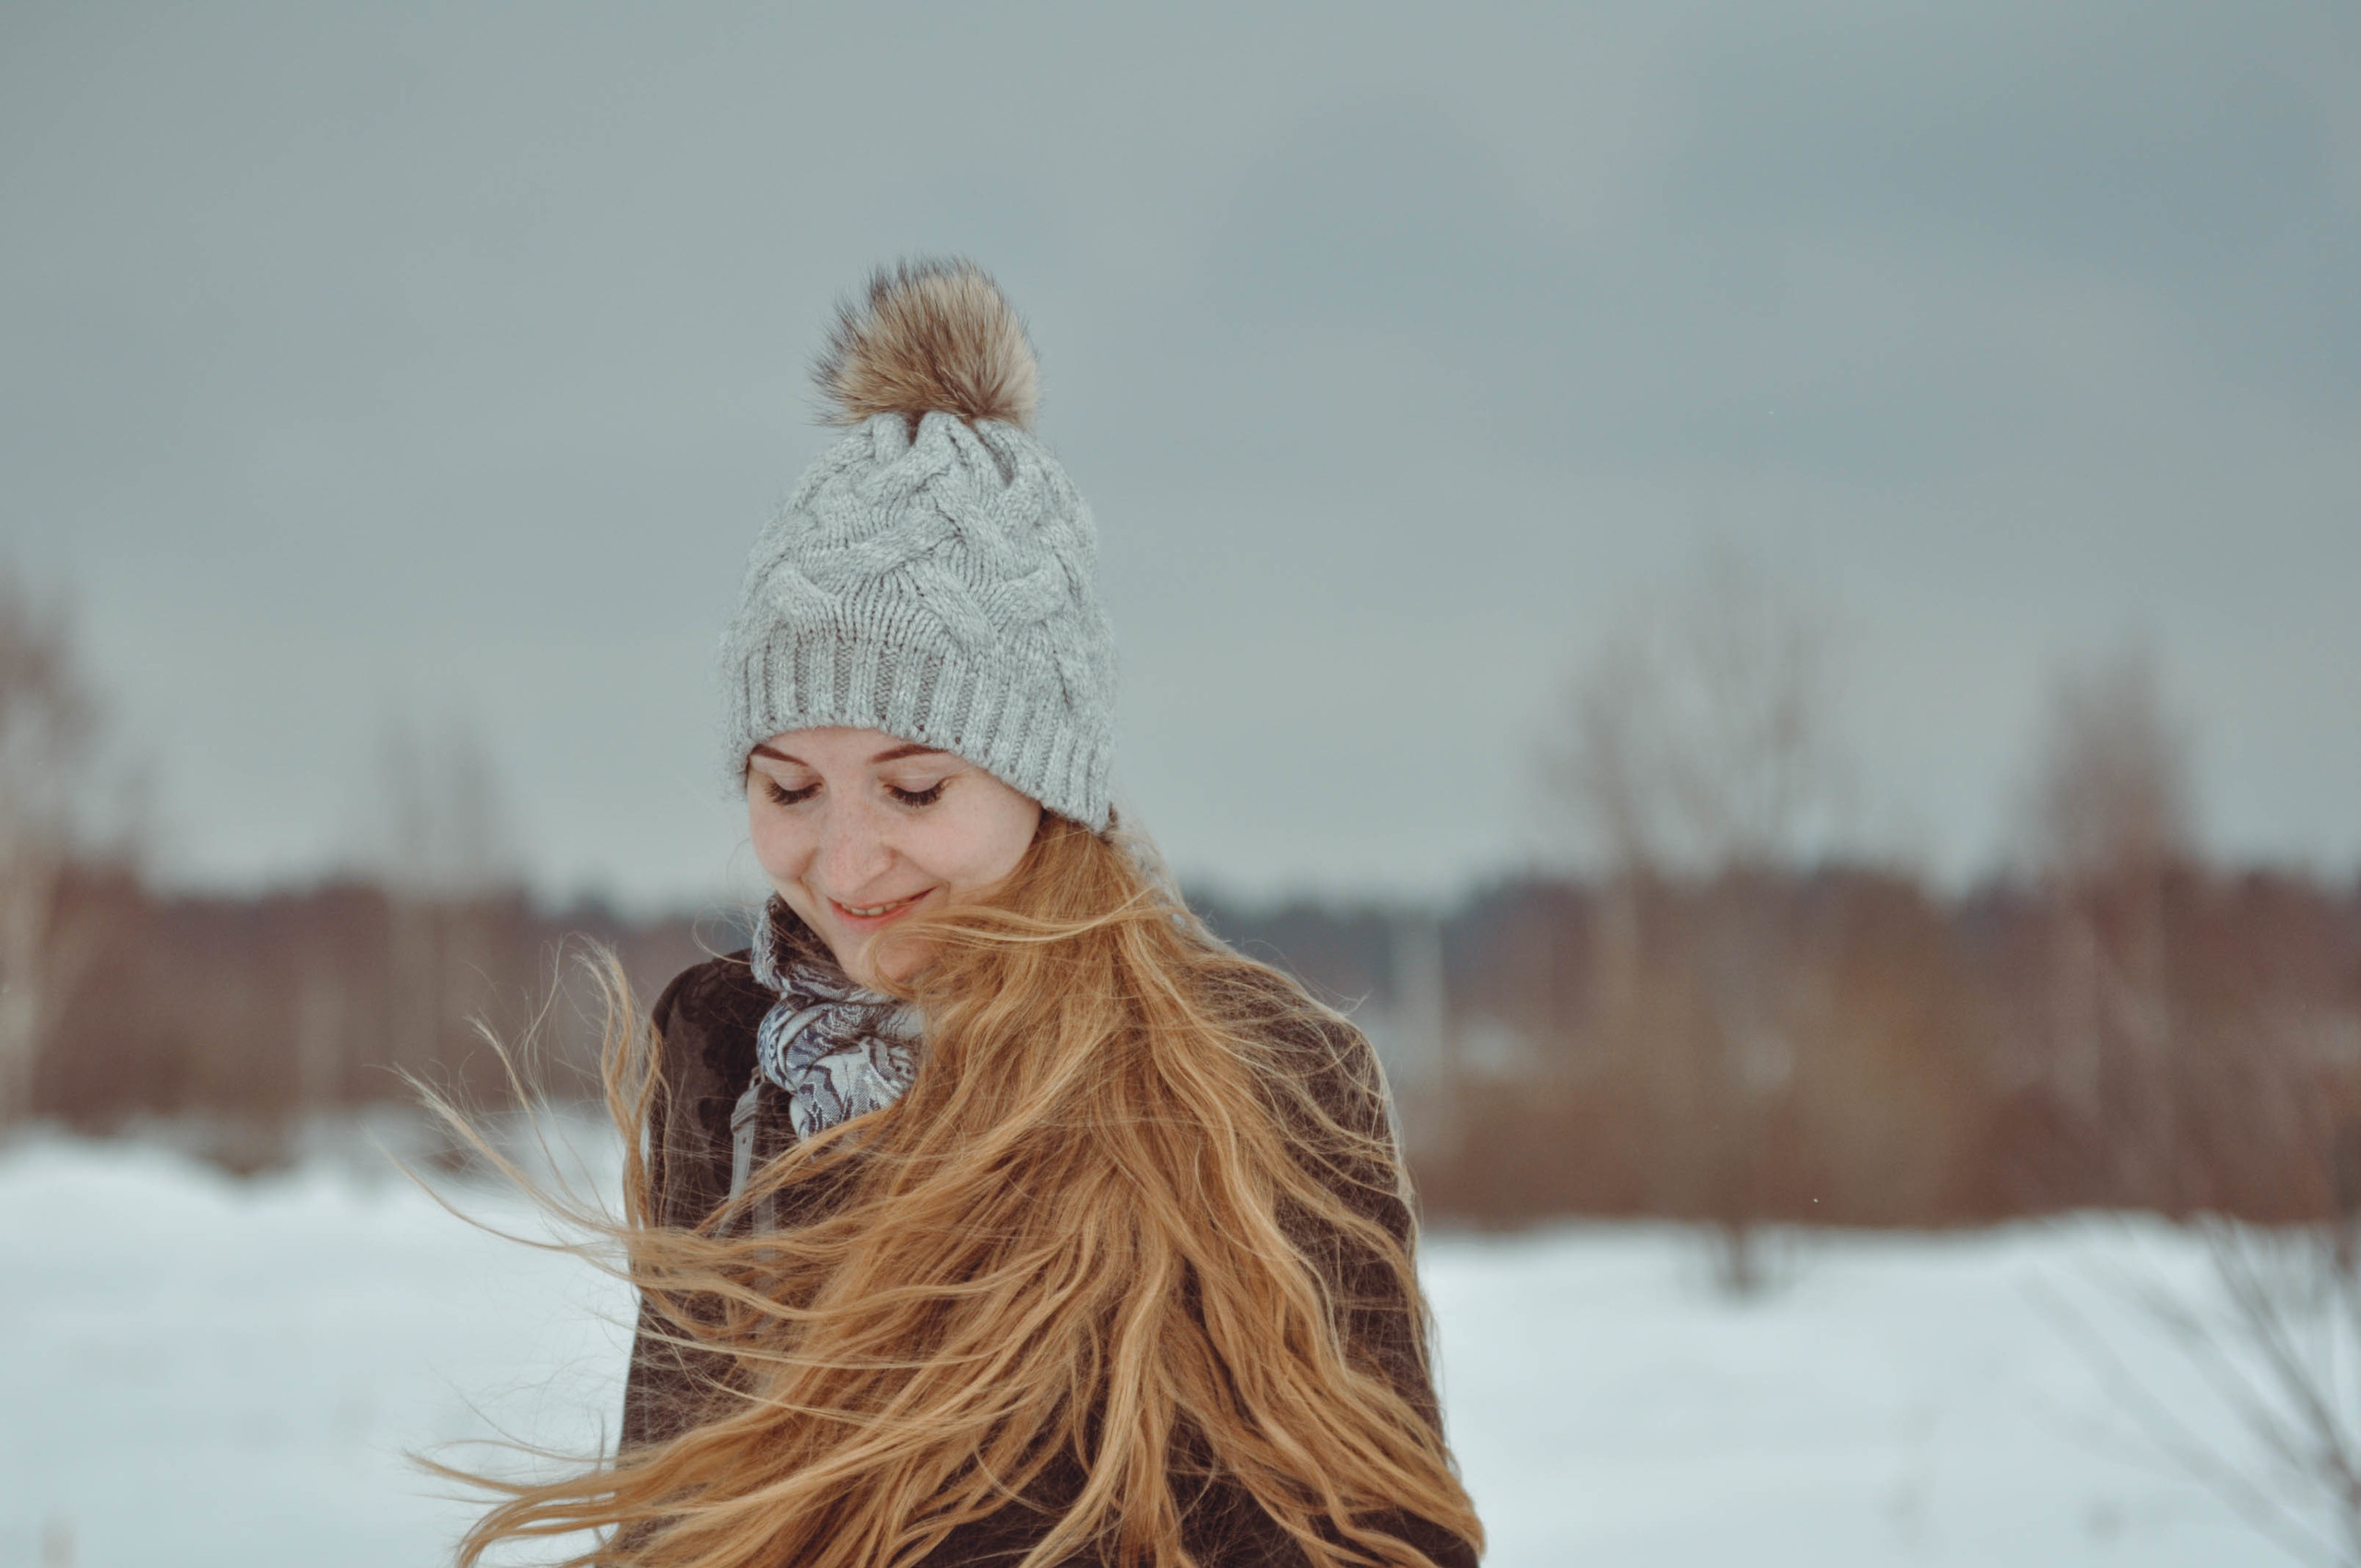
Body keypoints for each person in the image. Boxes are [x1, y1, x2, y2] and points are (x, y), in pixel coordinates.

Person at [455, 260, 1483, 1567]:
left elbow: (1383, 1531)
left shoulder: (1271, 1078)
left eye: (915, 786)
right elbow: (674, 1512)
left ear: (1044, 782)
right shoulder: (727, 1057)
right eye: (786, 787)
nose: (843, 861)